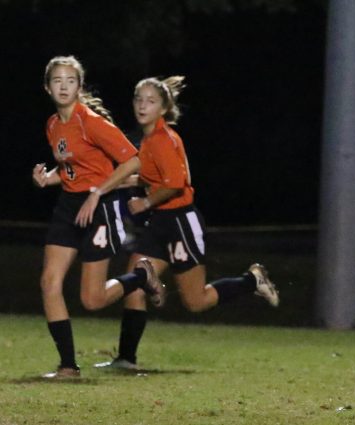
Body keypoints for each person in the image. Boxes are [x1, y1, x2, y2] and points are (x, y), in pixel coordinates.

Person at [94, 76, 280, 370]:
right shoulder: (148, 139)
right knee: (135, 282)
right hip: (160, 223)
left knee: (196, 301)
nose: (143, 105)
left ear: (164, 107)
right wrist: (110, 185)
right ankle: (126, 359)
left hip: (181, 222)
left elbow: (177, 184)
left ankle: (252, 280)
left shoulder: (164, 139)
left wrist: (143, 202)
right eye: (139, 99)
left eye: (150, 101)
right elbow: (151, 177)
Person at [32, 56, 166, 379]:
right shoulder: (53, 125)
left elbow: (133, 162)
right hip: (69, 206)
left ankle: (140, 277)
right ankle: (68, 366)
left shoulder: (90, 121)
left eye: (70, 81)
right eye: (57, 81)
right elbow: (72, 169)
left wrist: (97, 191)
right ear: (47, 87)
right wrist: (47, 177)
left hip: (101, 207)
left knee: (92, 300)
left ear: (79, 86)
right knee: (49, 282)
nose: (64, 87)